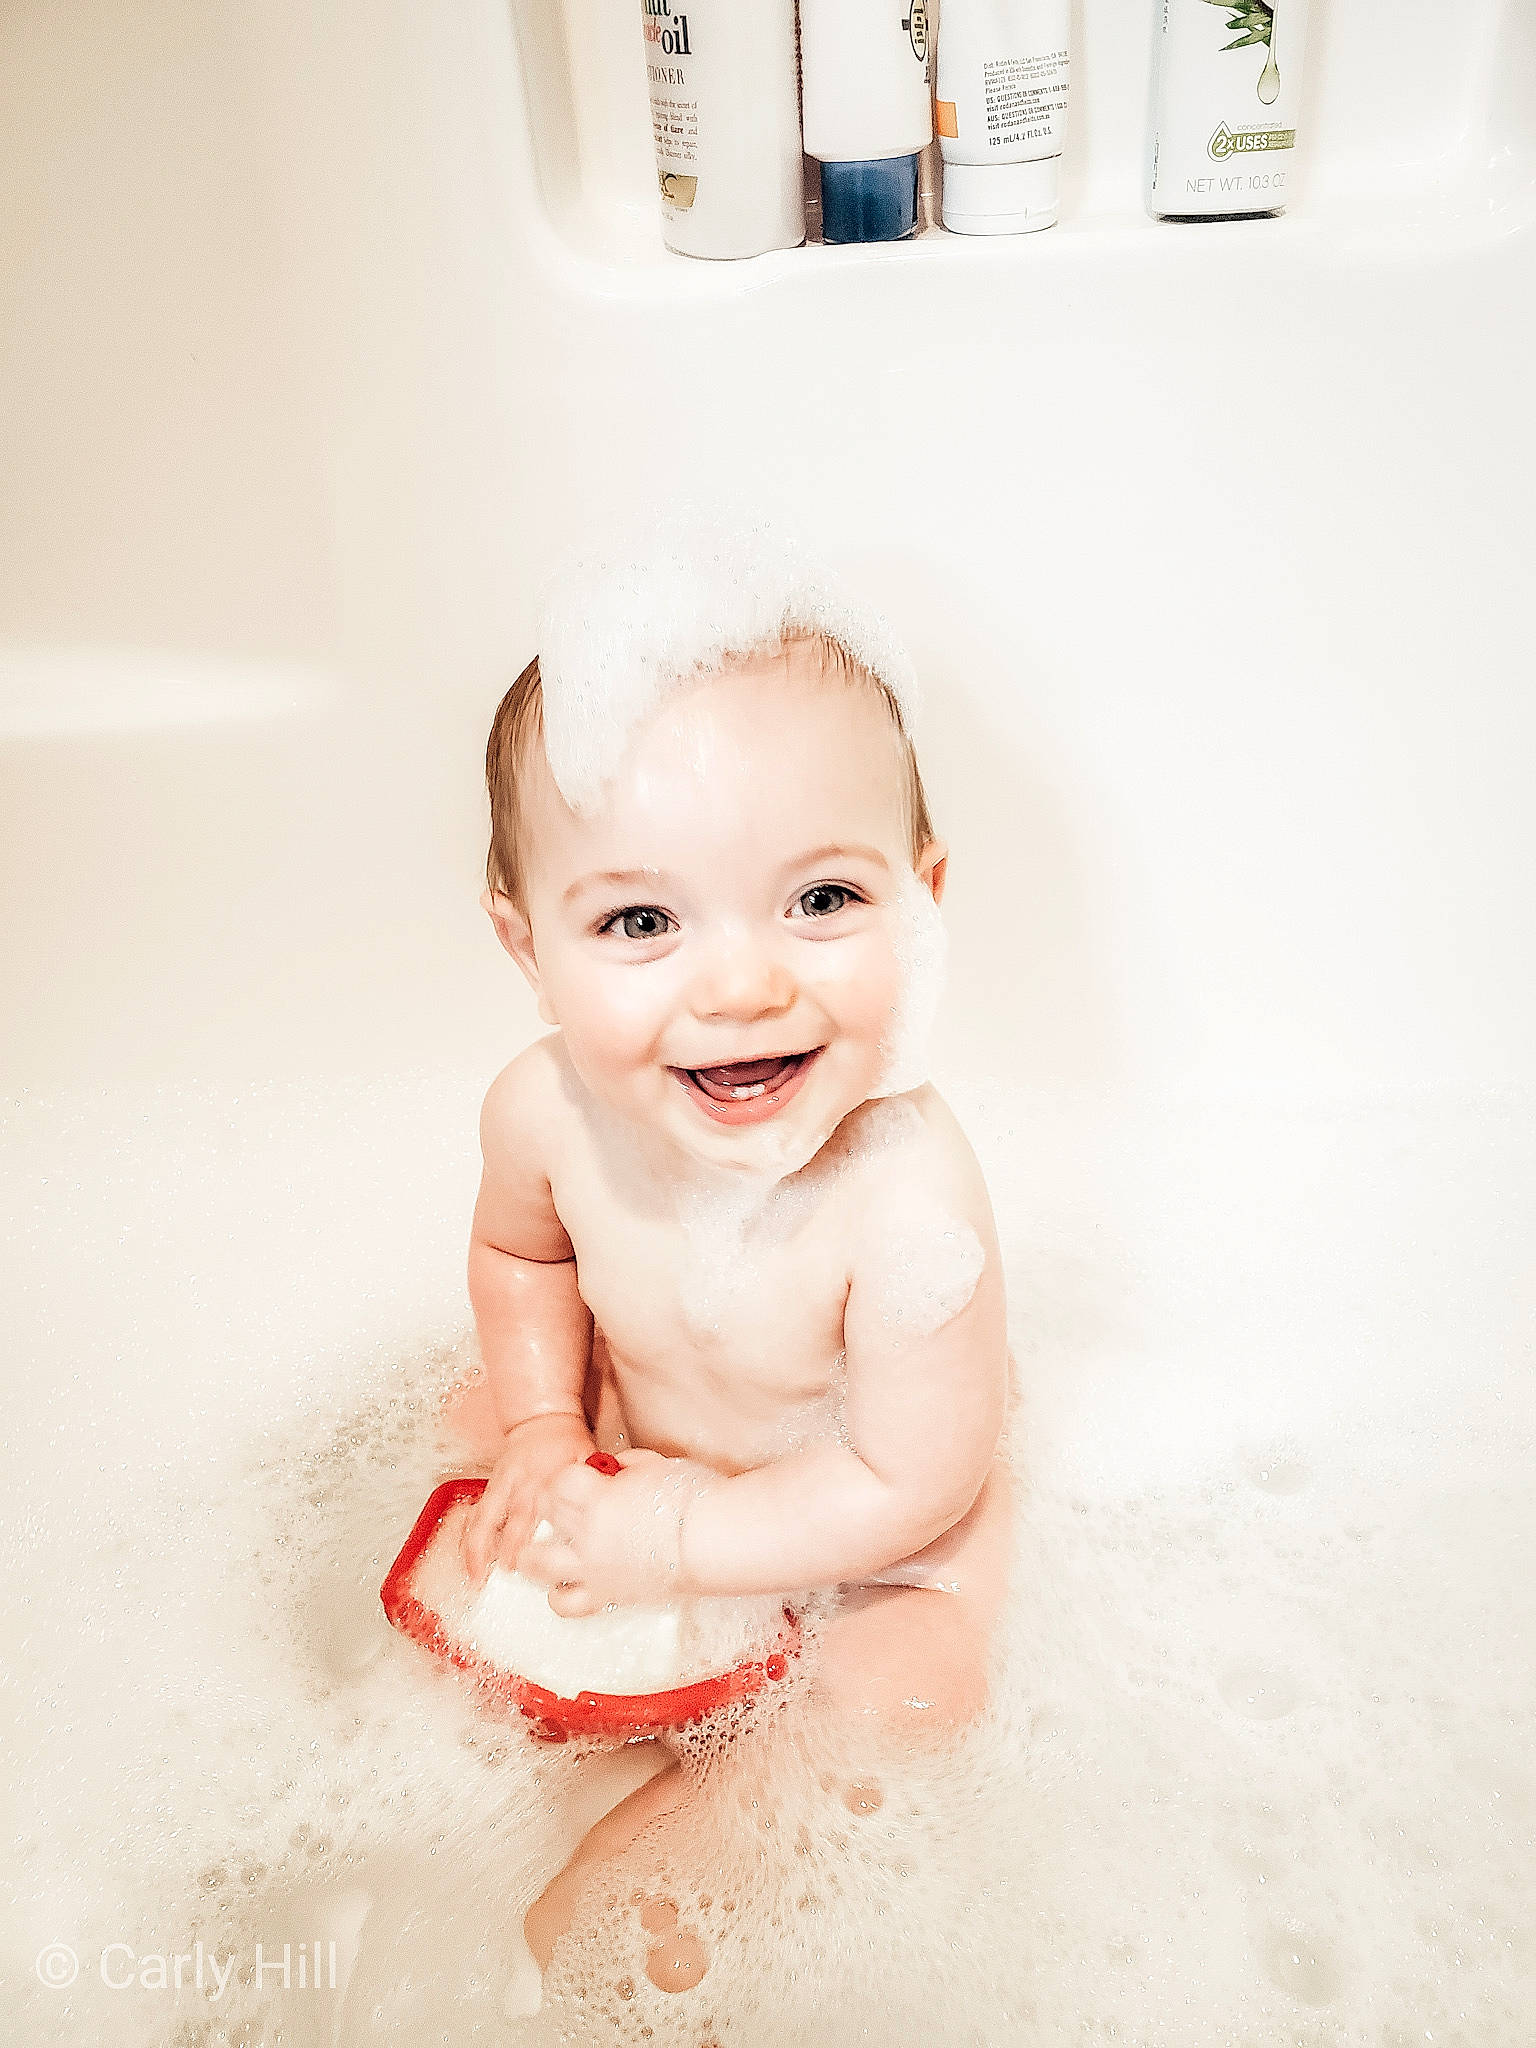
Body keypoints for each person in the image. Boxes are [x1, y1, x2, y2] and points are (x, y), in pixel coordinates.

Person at [455, 538, 1015, 1999]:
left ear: (924, 898)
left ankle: (669, 1887)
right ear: (527, 948)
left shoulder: (907, 1194)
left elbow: (915, 1484)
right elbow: (520, 1256)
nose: (742, 985)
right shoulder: (544, 1112)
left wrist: (685, 1542)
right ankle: (571, 1747)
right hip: (660, 1464)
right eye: (641, 922)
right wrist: (540, 1424)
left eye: (824, 901)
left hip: (881, 1552)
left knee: (913, 1684)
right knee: (460, 1439)